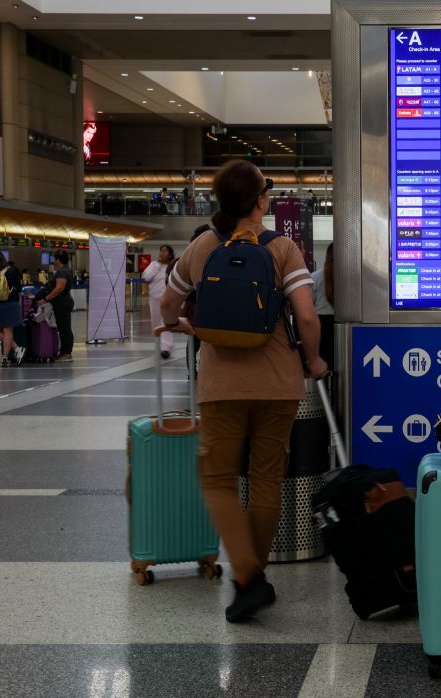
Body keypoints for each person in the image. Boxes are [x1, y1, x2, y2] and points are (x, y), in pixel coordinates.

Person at [156, 159, 327, 623]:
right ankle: (256, 575)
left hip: (221, 385)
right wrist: (314, 361)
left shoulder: (203, 246)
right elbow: (306, 316)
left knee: (218, 480)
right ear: (260, 201)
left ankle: (248, 578)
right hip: (278, 383)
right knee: (266, 478)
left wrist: (180, 325)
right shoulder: (282, 248)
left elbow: (168, 303)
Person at [142, 245, 176, 359]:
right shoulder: (154, 265)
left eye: (165, 251)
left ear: (170, 254)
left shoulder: (173, 266)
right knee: (156, 323)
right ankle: (161, 346)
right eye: (161, 251)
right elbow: (146, 278)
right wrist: (158, 266)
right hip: (154, 298)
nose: (162, 253)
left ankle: (166, 348)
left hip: (168, 298)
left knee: (166, 322)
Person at [40, 251, 75, 363]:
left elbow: (59, 288)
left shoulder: (62, 272)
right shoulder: (65, 270)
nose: (54, 261)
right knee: (63, 327)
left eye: (54, 259)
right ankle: (64, 352)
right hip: (62, 302)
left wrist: (46, 299)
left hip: (62, 303)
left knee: (65, 328)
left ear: (58, 260)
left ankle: (67, 353)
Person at [311, 243, 335, 367]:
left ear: (326, 257)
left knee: (324, 364)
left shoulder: (314, 277)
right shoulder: (351, 279)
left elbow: (309, 304)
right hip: (342, 325)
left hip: (321, 326)